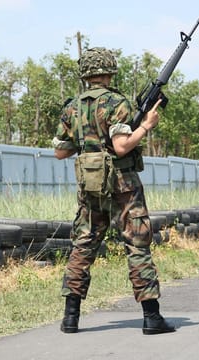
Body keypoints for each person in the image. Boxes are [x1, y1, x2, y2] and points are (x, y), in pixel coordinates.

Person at [52, 47, 175, 335]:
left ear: (85, 74)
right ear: (109, 71)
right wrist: (145, 126)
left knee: (83, 245)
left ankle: (71, 317)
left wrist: (88, 143)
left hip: (90, 186)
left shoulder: (72, 107)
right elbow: (121, 146)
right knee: (137, 242)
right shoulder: (117, 102)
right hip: (122, 185)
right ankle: (151, 317)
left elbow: (60, 151)